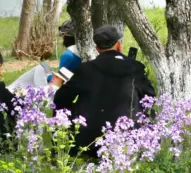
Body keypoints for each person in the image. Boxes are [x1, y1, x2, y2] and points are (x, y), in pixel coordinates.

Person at [53, 25, 156, 157]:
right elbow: (150, 98)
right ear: (119, 45)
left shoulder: (86, 69)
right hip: (127, 139)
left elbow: (60, 98)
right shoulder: (136, 68)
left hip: (89, 141)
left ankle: (62, 150)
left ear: (97, 49)